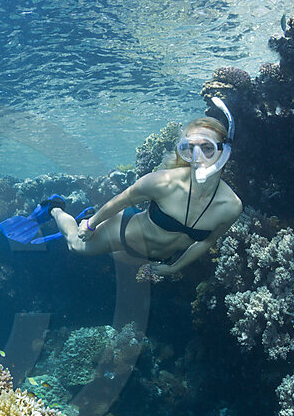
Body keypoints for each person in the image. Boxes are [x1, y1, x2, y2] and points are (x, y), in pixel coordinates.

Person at [45, 98, 242, 280]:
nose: (198, 157)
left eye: (207, 148)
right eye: (191, 148)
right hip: (122, 234)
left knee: (115, 262)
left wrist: (174, 268)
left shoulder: (231, 207)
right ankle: (55, 208)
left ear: (224, 151)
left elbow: (206, 242)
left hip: (143, 257)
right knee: (75, 245)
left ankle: (87, 216)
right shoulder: (163, 182)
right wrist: (91, 224)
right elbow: (122, 199)